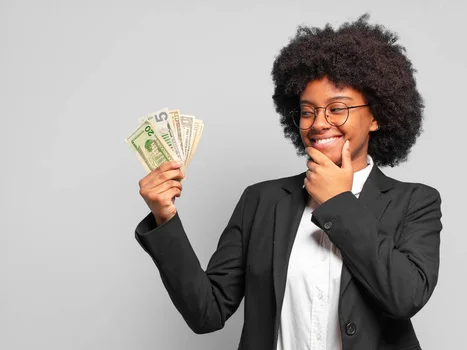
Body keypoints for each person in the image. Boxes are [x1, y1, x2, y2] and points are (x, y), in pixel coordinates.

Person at [135, 14, 443, 350]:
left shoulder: (415, 202)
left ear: (377, 116)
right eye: (308, 111)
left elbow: (404, 297)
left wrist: (338, 202)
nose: (319, 123)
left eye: (337, 108)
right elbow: (206, 314)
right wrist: (165, 218)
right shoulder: (261, 201)